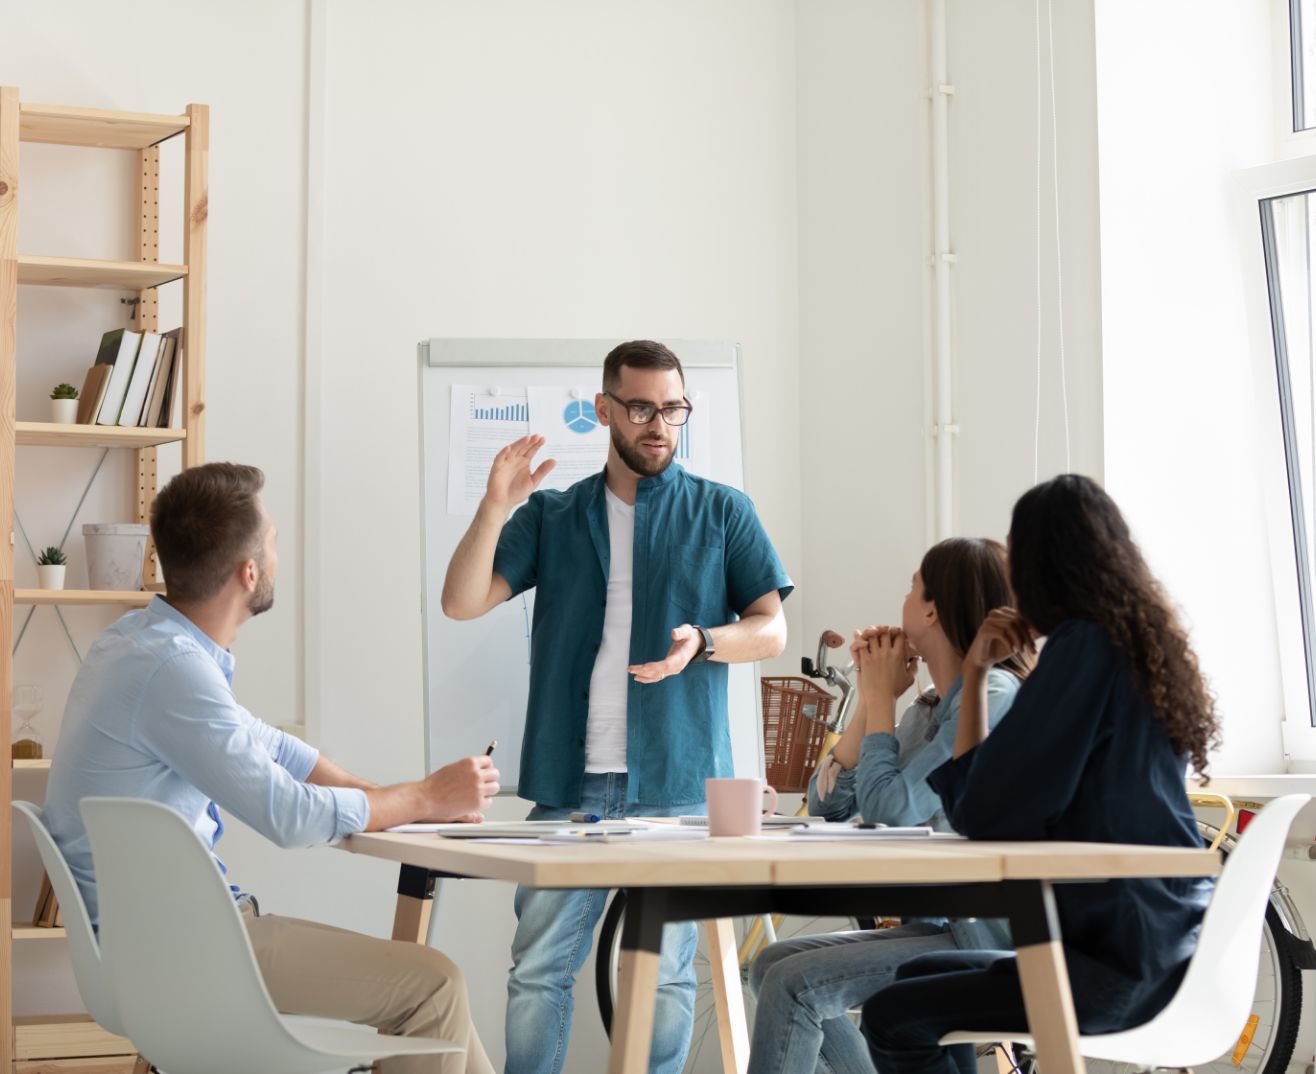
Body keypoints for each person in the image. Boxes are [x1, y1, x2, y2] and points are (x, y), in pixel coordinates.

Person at [43, 463, 500, 1074]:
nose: (280, 553)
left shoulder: (140, 644)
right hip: (189, 953)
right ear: (248, 572)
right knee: (433, 987)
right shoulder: (172, 670)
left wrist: (402, 795)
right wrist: (422, 798)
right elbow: (286, 815)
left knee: (439, 1001)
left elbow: (272, 748)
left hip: (149, 950)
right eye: (274, 539)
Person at [442, 339, 793, 1074]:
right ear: (604, 410)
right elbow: (462, 601)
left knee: (661, 978)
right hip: (573, 786)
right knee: (538, 972)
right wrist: (493, 506)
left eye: (673, 409)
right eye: (640, 408)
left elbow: (772, 629)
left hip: (676, 782)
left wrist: (703, 641)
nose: (658, 424)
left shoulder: (723, 511)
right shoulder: (554, 515)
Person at [862, 474, 1219, 1074]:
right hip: (1168, 948)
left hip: (1113, 965)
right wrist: (975, 674)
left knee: (894, 1015)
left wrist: (979, 679)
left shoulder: (1083, 650)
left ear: (1041, 564)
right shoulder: (1139, 648)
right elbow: (988, 798)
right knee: (918, 975)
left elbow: (983, 812)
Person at [746, 537, 1027, 1074]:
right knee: (772, 963)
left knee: (792, 984)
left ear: (933, 610)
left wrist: (878, 701)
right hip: (942, 924)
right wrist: (873, 706)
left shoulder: (993, 701)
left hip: (989, 937)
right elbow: (825, 805)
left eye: (911, 586)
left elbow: (893, 808)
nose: (902, 598)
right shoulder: (930, 711)